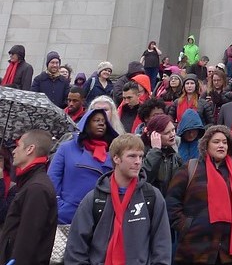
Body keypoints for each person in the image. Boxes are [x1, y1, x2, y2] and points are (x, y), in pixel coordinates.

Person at [65, 133, 172, 265]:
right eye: (132, 156)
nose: (138, 161)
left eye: (140, 156)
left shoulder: (152, 196)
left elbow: (162, 245)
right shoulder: (95, 199)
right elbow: (76, 248)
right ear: (116, 158)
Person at [166, 125, 232, 265]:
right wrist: (185, 225)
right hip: (193, 249)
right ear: (206, 145)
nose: (221, 145)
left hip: (226, 251)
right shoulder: (190, 168)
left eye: (225, 142)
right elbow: (172, 201)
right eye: (216, 142)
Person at [48, 107, 118, 223]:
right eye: (96, 120)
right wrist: (60, 206)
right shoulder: (67, 148)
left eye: (104, 122)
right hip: (66, 215)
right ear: (85, 123)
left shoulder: (112, 153)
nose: (101, 123)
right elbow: (53, 178)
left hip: (99, 217)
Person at [0, 130, 57, 265]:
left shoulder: (37, 188)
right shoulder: (30, 183)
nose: (13, 151)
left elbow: (28, 240)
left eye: (18, 146)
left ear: (30, 149)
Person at [141, 113, 182, 196]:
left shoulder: (174, 155)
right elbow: (145, 177)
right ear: (154, 135)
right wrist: (156, 150)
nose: (172, 135)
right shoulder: (142, 152)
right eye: (167, 133)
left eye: (173, 130)